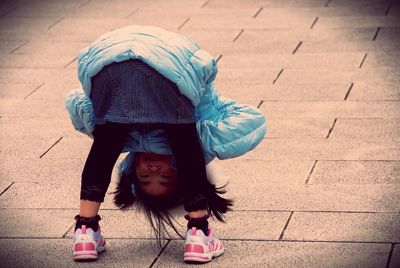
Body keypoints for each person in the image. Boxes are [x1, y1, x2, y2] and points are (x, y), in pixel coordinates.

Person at [65, 25, 266, 263]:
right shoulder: (196, 139)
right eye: (165, 178)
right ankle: (198, 231)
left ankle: (86, 230)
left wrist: (102, 124)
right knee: (183, 142)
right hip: (165, 67)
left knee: (106, 140)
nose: (154, 171)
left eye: (146, 178)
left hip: (111, 59)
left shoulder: (126, 140)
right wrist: (202, 143)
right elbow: (254, 120)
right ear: (181, 174)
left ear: (131, 171)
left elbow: (76, 101)